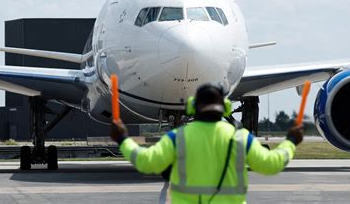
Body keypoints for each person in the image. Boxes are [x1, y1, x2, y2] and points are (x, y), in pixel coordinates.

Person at [111, 85, 304, 204]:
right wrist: (291, 142)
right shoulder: (239, 137)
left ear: (193, 106)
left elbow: (145, 162)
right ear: (226, 107)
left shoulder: (178, 137)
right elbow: (271, 164)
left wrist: (123, 139)